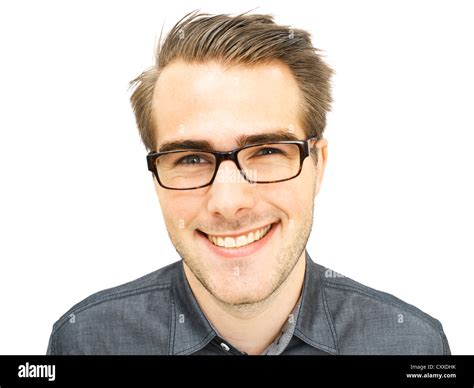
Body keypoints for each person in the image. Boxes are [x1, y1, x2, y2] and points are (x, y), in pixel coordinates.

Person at [46, 11, 450, 355]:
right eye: (190, 158)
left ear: (319, 165)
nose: (228, 201)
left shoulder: (413, 346)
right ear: (155, 178)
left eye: (268, 151)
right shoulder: (85, 341)